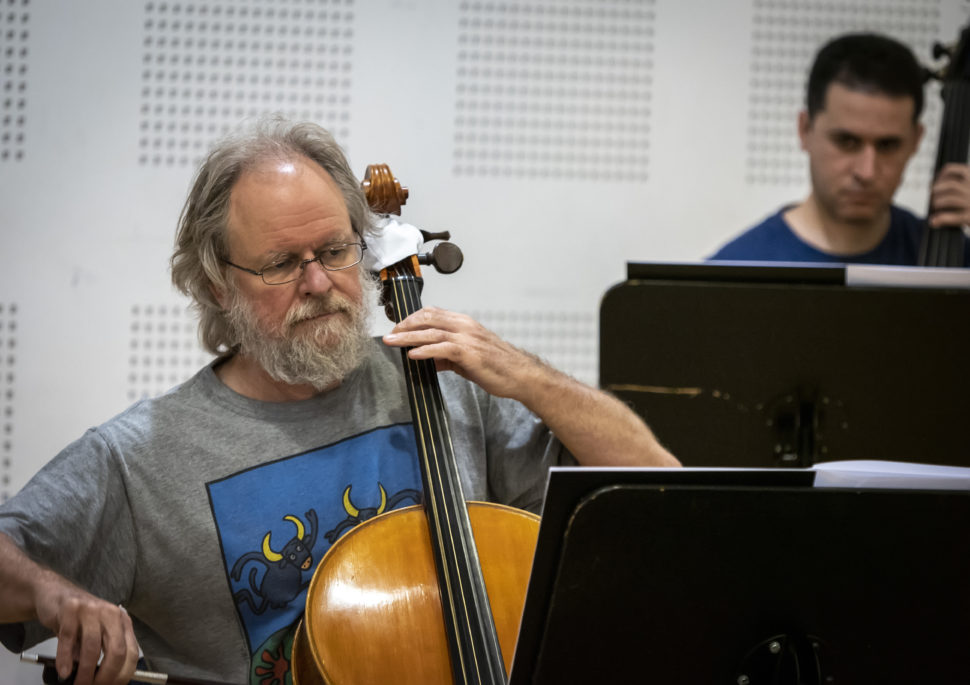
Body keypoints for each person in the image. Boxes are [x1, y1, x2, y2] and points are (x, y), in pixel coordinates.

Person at [0, 116, 679, 685]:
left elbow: (659, 489)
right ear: (215, 284)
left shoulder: (444, 386)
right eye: (281, 262)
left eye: (335, 249)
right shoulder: (140, 457)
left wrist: (529, 377)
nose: (320, 281)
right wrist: (53, 592)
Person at [710, 32, 970, 265]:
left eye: (888, 145)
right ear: (804, 130)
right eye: (847, 142)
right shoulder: (735, 271)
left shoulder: (960, 262)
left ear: (916, 140)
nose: (866, 172)